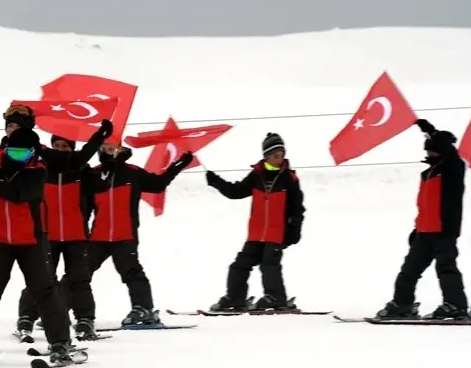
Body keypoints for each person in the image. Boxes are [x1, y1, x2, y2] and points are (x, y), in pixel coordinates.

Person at [0, 127, 82, 365]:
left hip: (31, 240)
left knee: (44, 289)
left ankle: (60, 342)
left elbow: (18, 193)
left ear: (33, 153)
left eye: (24, 155)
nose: (18, 159)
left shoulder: (38, 169)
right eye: (13, 153)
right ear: (6, 149)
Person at [81, 136, 195, 326]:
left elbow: (157, 185)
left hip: (125, 235)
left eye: (113, 148)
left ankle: (143, 309)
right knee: (80, 273)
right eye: (105, 148)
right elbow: (85, 209)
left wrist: (176, 166)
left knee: (132, 272)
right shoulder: (93, 174)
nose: (109, 152)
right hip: (98, 236)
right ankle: (58, 310)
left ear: (121, 149)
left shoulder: (133, 173)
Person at [15, 120, 113, 341]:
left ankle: (85, 319)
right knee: (41, 279)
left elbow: (102, 186)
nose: (60, 150)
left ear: (72, 149)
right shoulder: (40, 170)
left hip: (76, 236)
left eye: (65, 146)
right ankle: (26, 317)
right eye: (57, 146)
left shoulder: (82, 170)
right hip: (46, 235)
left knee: (79, 279)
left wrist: (106, 165)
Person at [376, 119, 471, 319]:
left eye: (432, 150)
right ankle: (402, 304)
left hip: (444, 232)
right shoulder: (428, 173)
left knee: (446, 270)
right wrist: (416, 229)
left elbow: (450, 153)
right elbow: (424, 206)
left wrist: (430, 131)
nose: (428, 153)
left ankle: (456, 306)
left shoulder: (453, 168)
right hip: (425, 232)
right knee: (408, 271)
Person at [204, 132, 306, 312]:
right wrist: (216, 182)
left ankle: (276, 298)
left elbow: (297, 208)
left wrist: (294, 230)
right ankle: (235, 298)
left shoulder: (289, 179)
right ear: (266, 156)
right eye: (275, 155)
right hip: (256, 234)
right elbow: (235, 192)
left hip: (276, 234)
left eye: (281, 154)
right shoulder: (256, 176)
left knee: (269, 265)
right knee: (239, 265)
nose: (279, 159)